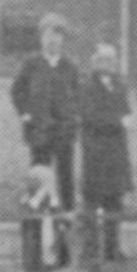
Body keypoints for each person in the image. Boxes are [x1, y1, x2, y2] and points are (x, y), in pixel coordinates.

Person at [11, 13, 79, 211]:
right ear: (41, 38)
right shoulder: (31, 64)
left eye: (57, 36)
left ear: (63, 40)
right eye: (48, 35)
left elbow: (78, 94)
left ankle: (65, 221)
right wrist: (25, 113)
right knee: (39, 175)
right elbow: (17, 90)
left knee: (65, 176)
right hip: (39, 130)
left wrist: (72, 116)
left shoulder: (69, 66)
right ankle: (39, 221)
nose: (53, 40)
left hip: (64, 131)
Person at [80, 43, 132, 263]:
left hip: (116, 153)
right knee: (92, 203)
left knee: (114, 203)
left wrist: (125, 118)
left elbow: (126, 111)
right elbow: (90, 116)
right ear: (95, 62)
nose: (107, 64)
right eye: (103, 60)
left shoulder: (119, 86)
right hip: (95, 152)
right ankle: (90, 250)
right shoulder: (87, 87)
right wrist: (119, 121)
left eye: (111, 60)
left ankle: (112, 248)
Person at [19, 164, 69, 272]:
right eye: (46, 181)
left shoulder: (52, 200)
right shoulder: (27, 199)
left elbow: (61, 219)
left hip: (49, 244)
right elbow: (29, 211)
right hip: (34, 247)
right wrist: (42, 194)